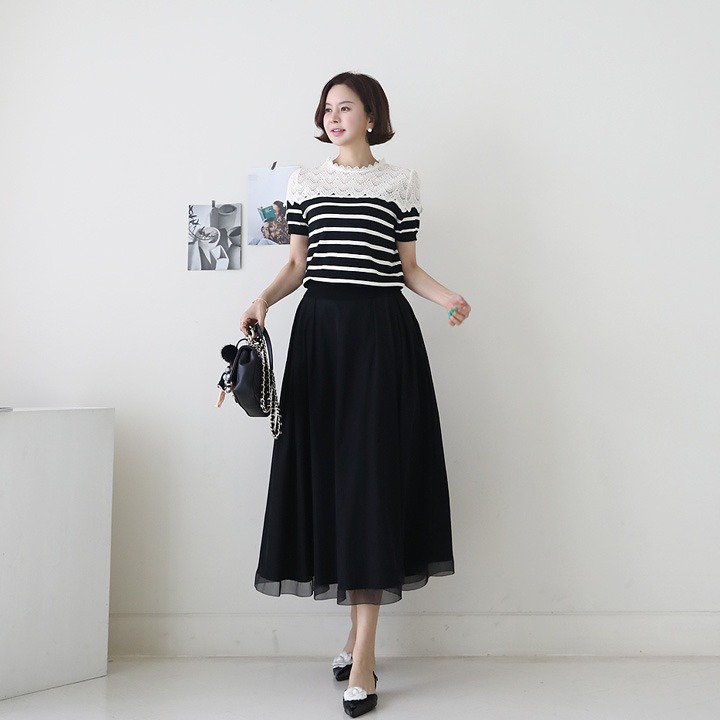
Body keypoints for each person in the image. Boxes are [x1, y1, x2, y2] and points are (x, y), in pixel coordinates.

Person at [239, 71, 470, 718]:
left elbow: (406, 268)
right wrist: (261, 299)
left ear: (372, 115)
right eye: (326, 109)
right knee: (334, 484)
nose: (333, 117)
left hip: (381, 341)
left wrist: (447, 297)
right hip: (320, 341)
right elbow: (298, 264)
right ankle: (354, 640)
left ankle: (364, 656)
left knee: (372, 485)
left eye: (345, 107)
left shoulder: (402, 182)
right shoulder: (304, 183)